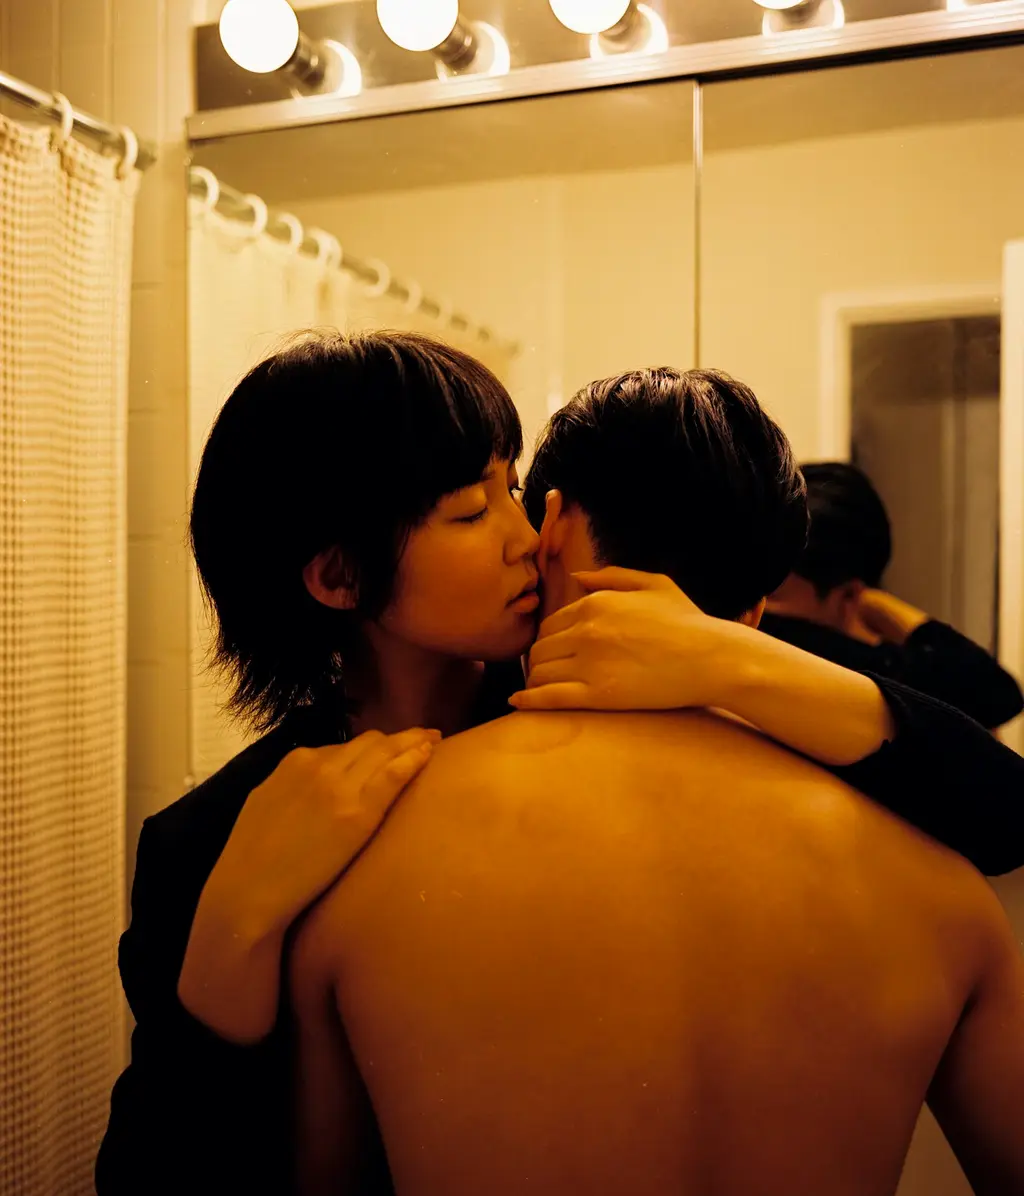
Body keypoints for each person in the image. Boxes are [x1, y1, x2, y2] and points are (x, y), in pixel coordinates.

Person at [95, 334, 1024, 1196]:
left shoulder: (653, 677)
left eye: (512, 488)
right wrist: (231, 933)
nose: (526, 535)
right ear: (339, 577)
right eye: (472, 510)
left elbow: (1002, 807)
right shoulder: (212, 844)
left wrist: (732, 657)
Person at [762, 461, 1023, 729]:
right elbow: (996, 693)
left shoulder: (846, 668)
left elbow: (996, 693)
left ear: (848, 594)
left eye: (771, 591)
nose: (754, 605)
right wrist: (877, 603)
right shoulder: (865, 671)